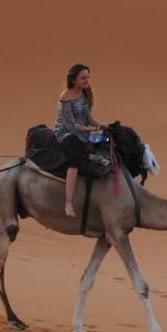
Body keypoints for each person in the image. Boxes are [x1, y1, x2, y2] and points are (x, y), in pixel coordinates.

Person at [54, 63, 103, 217]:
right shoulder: (65, 96)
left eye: (88, 77)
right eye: (83, 78)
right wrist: (93, 129)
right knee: (75, 158)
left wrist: (101, 125)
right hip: (66, 133)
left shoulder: (85, 93)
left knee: (104, 147)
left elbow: (87, 117)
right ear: (73, 80)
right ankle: (68, 202)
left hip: (84, 131)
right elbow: (72, 125)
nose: (86, 80)